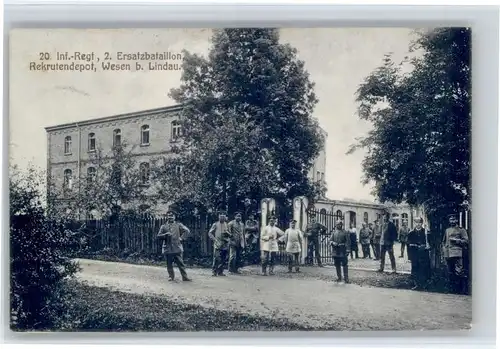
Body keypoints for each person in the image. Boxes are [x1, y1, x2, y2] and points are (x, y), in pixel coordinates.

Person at [156, 209, 192, 282]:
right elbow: (158, 236)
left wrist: (181, 238)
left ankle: (185, 277)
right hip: (167, 248)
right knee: (169, 264)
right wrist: (165, 235)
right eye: (169, 216)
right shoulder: (163, 226)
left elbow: (187, 231)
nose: (170, 217)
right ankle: (171, 277)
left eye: (172, 216)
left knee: (181, 264)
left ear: (175, 217)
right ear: (167, 217)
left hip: (177, 248)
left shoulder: (179, 225)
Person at [442, 214, 469, 293]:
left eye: (454, 219)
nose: (452, 221)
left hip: (457, 253)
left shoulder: (461, 230)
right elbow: (444, 241)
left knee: (459, 272)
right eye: (451, 219)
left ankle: (460, 290)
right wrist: (444, 250)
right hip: (448, 254)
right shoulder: (447, 230)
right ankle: (451, 290)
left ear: (457, 220)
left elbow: (466, 241)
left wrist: (456, 240)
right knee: (450, 271)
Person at [407, 217, 431, 290]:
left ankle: (424, 284)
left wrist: (427, 246)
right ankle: (416, 284)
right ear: (414, 223)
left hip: (424, 255)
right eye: (416, 222)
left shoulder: (426, 232)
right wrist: (410, 257)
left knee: (424, 269)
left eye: (419, 222)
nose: (418, 224)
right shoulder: (411, 233)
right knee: (415, 269)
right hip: (415, 255)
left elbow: (430, 243)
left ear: (422, 223)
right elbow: (408, 245)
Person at [208, 211, 230, 277]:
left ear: (225, 217)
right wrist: (214, 240)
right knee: (216, 258)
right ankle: (214, 272)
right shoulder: (215, 224)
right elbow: (210, 233)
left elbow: (229, 234)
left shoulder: (227, 224)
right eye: (221, 215)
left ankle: (220, 272)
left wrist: (228, 238)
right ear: (218, 217)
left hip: (225, 244)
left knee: (223, 258)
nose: (222, 217)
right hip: (217, 244)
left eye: (223, 215)